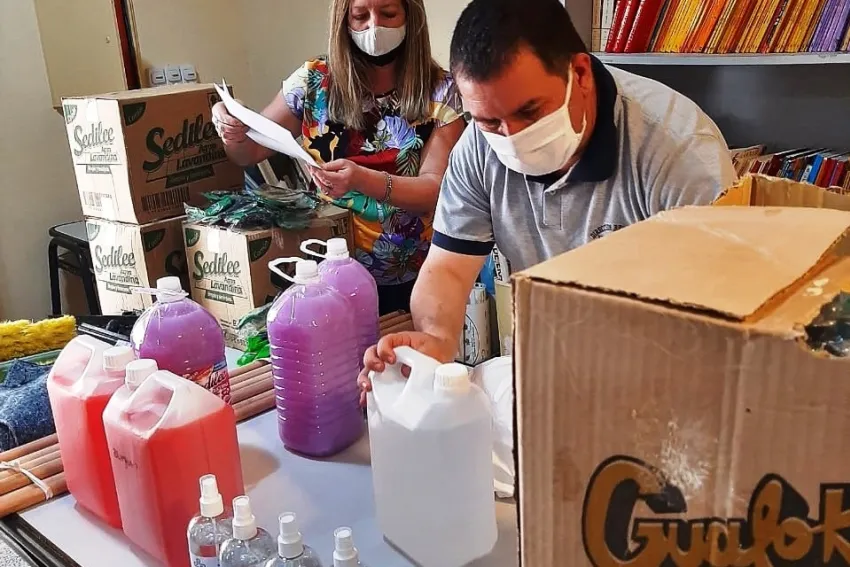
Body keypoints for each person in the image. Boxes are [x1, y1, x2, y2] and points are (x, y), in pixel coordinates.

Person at [359, 0, 736, 396]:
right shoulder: (478, 148)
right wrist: (436, 340)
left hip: (668, 371)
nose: (512, 138)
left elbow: (718, 321)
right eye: (490, 121)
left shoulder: (679, 153)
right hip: (557, 362)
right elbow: (448, 271)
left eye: (530, 112)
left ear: (580, 73)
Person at [212, 0, 465, 315]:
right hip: (326, 272)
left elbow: (435, 190)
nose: (374, 27)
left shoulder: (441, 91)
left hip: (413, 274)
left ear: (410, 17)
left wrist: (361, 179)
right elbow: (249, 152)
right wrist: (231, 127)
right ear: (343, 21)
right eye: (360, 16)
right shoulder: (313, 82)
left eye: (388, 14)